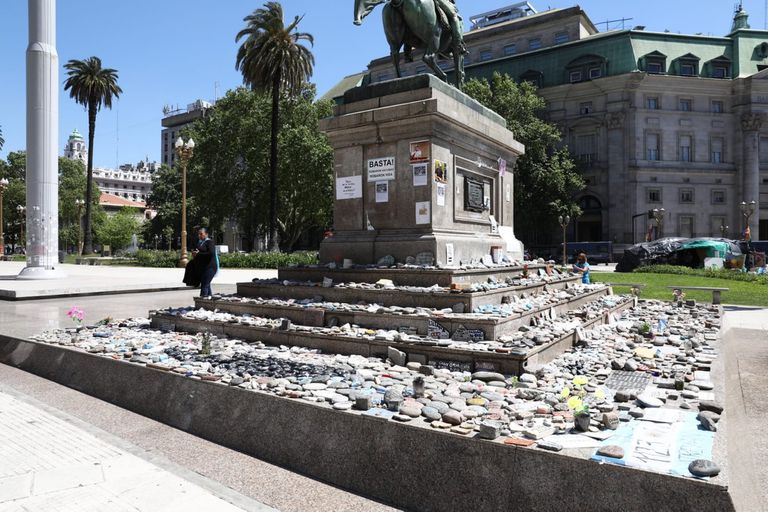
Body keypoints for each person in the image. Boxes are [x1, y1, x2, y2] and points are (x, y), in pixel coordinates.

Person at [183, 228, 219, 298]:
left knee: (204, 285)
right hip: (204, 268)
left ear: (206, 234)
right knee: (206, 284)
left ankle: (203, 301)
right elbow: (200, 254)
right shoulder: (200, 243)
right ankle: (210, 303)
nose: (199, 235)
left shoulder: (209, 242)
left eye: (201, 234)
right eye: (198, 234)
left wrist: (198, 254)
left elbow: (211, 253)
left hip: (210, 267)